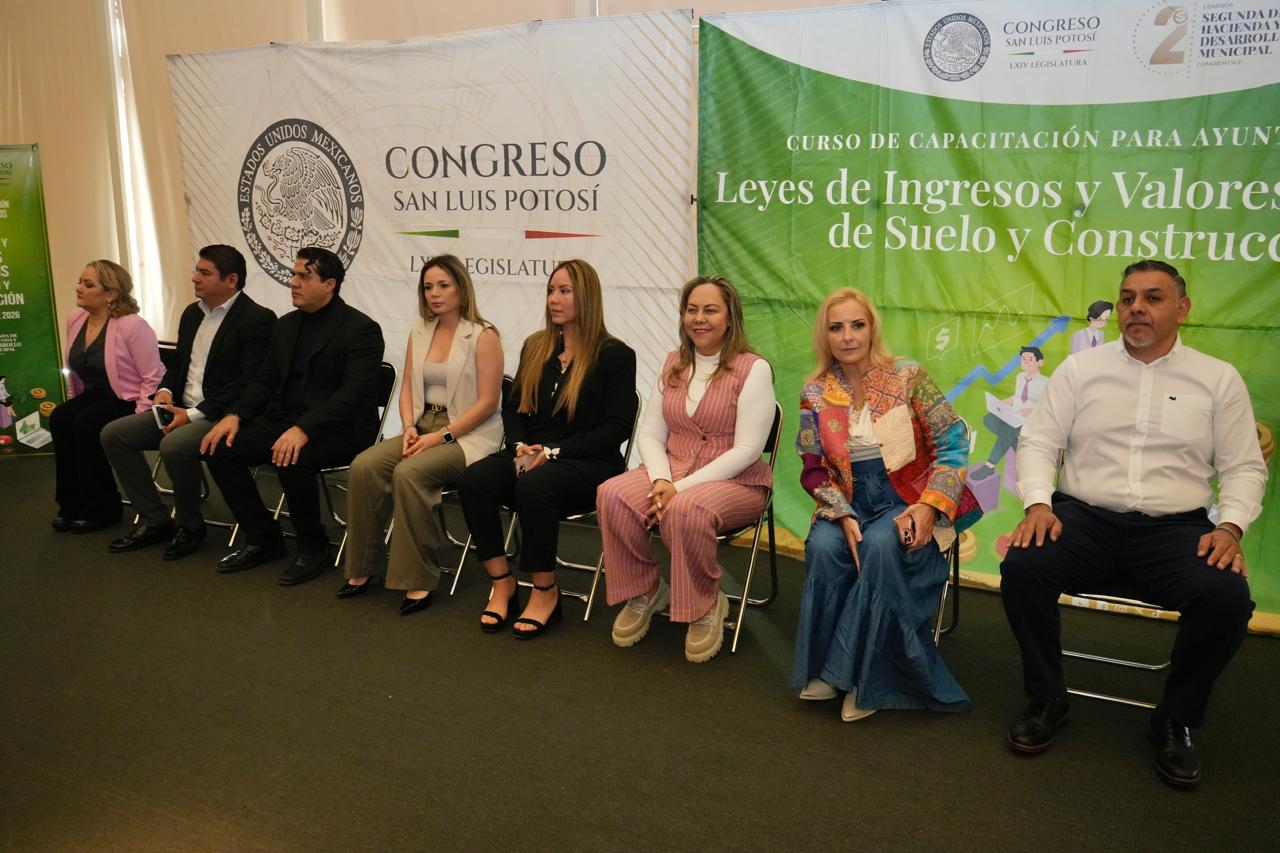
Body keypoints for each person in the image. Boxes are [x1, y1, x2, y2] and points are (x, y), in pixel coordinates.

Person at [1000, 259, 1267, 788]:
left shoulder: (1217, 379)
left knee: (1227, 599)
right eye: (1127, 298)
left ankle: (1175, 717)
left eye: (1153, 298)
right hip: (1083, 520)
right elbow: (1038, 442)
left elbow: (1244, 466)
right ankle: (1047, 697)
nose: (1136, 308)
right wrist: (1037, 505)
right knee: (1024, 567)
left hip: (1176, 531)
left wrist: (1230, 527)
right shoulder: (1081, 370)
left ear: (1182, 309)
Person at [792, 287, 981, 722]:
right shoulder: (814, 392)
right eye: (836, 327)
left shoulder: (908, 375)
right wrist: (841, 513)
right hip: (848, 500)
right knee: (823, 547)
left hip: (909, 497)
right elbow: (813, 467)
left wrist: (929, 507)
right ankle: (828, 668)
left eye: (857, 325)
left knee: (879, 546)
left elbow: (953, 444)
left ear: (872, 329)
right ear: (824, 335)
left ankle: (869, 679)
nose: (847, 336)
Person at [597, 276, 775, 663]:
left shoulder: (754, 369)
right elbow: (650, 434)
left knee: (684, 509)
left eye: (710, 310)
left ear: (730, 317)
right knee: (611, 494)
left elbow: (747, 451)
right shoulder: (674, 363)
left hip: (737, 480)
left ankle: (705, 603)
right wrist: (663, 479)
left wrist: (679, 488)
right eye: (692, 310)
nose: (699, 318)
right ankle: (645, 590)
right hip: (672, 471)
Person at [458, 259, 636, 638]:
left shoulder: (615, 355)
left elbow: (616, 428)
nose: (554, 299)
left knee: (534, 486)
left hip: (589, 462)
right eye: (551, 291)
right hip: (533, 453)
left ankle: (544, 591)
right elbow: (515, 408)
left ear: (586, 297)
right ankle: (502, 583)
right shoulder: (536, 346)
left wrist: (554, 452)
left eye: (564, 291)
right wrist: (519, 444)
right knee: (474, 480)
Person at [201, 246, 384, 586]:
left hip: (340, 428)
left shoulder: (361, 329)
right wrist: (235, 414)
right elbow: (264, 379)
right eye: (293, 275)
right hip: (286, 419)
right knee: (221, 447)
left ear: (329, 284)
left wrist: (305, 429)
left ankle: (314, 548)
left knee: (290, 457)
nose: (293, 282)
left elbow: (352, 395)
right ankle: (263, 538)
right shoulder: (286, 325)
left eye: (304, 276)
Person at [336, 255, 503, 615]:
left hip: (468, 435)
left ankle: (419, 578)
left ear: (461, 288)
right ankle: (363, 565)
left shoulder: (483, 335)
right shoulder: (420, 330)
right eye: (428, 287)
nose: (434, 293)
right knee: (364, 466)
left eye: (443, 285)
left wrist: (440, 438)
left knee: (408, 473)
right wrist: (409, 427)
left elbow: (488, 403)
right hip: (422, 425)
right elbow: (409, 386)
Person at [100, 245, 276, 560]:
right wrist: (165, 390)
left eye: (204, 273)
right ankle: (155, 520)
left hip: (220, 415)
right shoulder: (192, 314)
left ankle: (190, 526)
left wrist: (194, 414)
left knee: (175, 446)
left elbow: (246, 382)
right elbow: (179, 363)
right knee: (115, 434)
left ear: (231, 280)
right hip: (179, 408)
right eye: (197, 270)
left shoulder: (257, 319)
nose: (194, 278)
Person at [51, 260, 164, 534]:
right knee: (60, 417)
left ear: (111, 293)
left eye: (88, 284)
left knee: (86, 423)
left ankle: (103, 508)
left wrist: (139, 416)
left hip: (129, 400)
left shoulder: (132, 325)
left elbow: (153, 376)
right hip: (95, 395)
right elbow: (75, 369)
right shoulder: (75, 318)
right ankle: (71, 504)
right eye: (80, 281)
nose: (79, 288)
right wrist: (73, 400)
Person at [971, 346, 1047, 481]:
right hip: (1015, 415)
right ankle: (1015, 442)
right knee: (988, 419)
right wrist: (1003, 403)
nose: (1026, 362)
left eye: (1030, 359)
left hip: (1031, 420)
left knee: (1008, 429)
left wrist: (1030, 411)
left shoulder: (1045, 382)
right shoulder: (1020, 377)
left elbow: (1048, 406)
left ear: (1039, 362)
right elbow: (1017, 396)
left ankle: (990, 465)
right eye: (1023, 359)